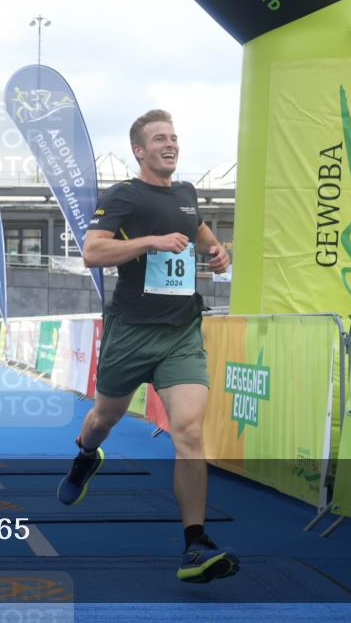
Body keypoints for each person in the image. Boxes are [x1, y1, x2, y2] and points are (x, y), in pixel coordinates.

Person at [57, 109, 238, 584]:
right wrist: (148, 242)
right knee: (104, 418)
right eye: (160, 138)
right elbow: (93, 252)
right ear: (139, 149)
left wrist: (218, 251)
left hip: (181, 332)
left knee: (191, 432)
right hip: (132, 330)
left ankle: (194, 545)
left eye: (174, 137)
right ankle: (85, 455)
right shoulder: (124, 196)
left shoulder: (185, 193)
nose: (170, 144)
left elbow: (198, 231)